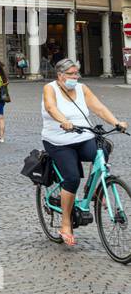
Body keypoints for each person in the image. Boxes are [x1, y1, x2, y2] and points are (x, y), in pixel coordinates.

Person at [42, 57, 128, 248]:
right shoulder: (51, 88)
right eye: (71, 74)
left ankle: (97, 191)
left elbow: (98, 107)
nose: (75, 77)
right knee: (71, 178)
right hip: (59, 141)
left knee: (103, 148)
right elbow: (50, 107)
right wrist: (63, 120)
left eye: (76, 73)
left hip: (82, 137)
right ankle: (65, 224)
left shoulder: (82, 88)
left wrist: (116, 122)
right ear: (60, 75)